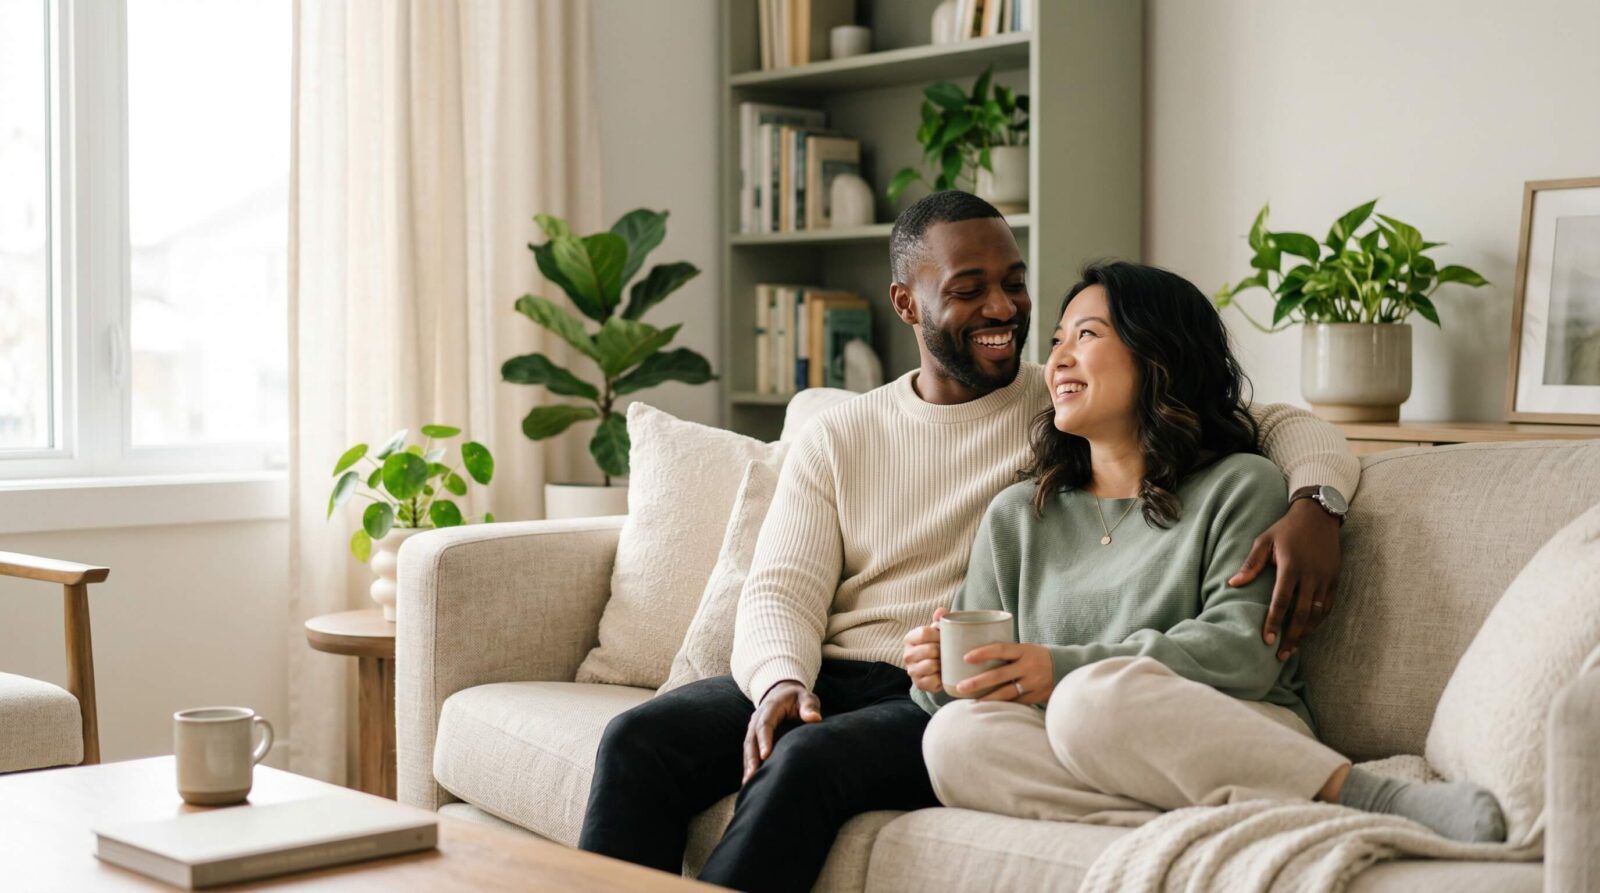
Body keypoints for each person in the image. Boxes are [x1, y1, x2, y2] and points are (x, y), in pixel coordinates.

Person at [577, 192, 1362, 892]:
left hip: (947, 686)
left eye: (1014, 282)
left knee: (808, 763)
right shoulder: (845, 434)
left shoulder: (1064, 404)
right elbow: (780, 587)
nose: (1002, 308)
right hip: (838, 673)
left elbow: (1254, 417)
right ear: (907, 302)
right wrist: (782, 682)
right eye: (968, 288)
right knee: (638, 739)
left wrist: (1317, 502)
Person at [908, 261, 1506, 843]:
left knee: (1090, 700)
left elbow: (1244, 652)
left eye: (1086, 335)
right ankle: (1199, 827)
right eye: (1058, 339)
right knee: (955, 737)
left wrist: (1059, 669)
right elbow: (978, 677)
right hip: (1085, 748)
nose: (1058, 358)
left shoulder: (1239, 484)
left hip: (1229, 722)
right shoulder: (1019, 514)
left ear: (1158, 354)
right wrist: (937, 674)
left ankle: (1370, 797)